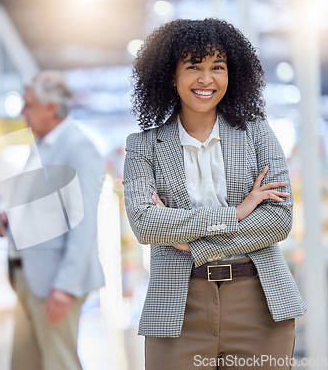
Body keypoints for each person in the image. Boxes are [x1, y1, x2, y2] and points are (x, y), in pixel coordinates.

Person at [122, 19, 306, 370]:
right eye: (194, 67)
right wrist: (236, 213)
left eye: (217, 68)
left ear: (231, 73)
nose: (206, 80)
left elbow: (278, 222)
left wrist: (191, 243)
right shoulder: (143, 146)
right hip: (176, 306)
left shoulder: (257, 133)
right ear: (169, 76)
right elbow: (145, 224)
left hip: (258, 301)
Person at [0, 70, 105, 370]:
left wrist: (65, 287)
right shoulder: (42, 145)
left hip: (54, 281)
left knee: (59, 362)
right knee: (26, 363)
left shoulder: (78, 148)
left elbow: (83, 224)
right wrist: (8, 222)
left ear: (52, 108)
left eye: (28, 105)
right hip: (30, 276)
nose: (22, 112)